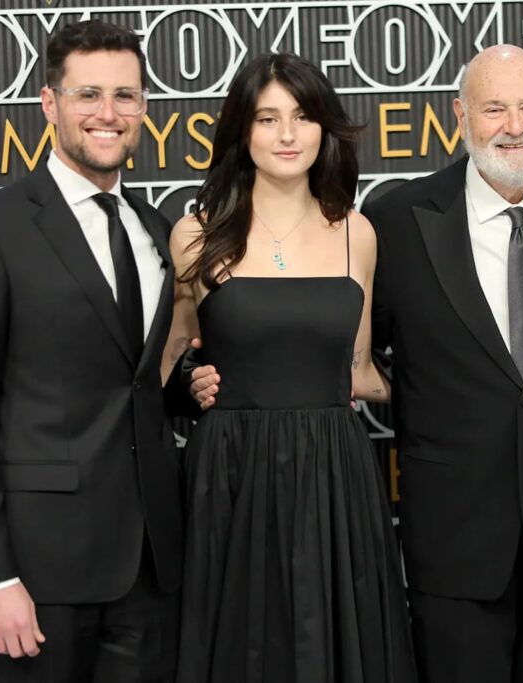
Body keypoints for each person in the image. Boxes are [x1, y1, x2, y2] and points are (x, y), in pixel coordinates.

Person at [188, 44, 523, 682]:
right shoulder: (395, 220)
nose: (515, 126)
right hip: (451, 541)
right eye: (495, 108)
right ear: (460, 117)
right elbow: (353, 353)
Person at [0, 20, 182, 681]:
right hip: (40, 571)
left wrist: (190, 385)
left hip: (152, 565)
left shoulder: (155, 227)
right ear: (50, 104)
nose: (108, 113)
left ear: (144, 108)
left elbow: (132, 381)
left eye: (125, 96)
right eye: (88, 94)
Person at [163, 53, 415, 682]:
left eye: (302, 117)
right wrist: (187, 387)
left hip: (335, 471)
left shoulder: (358, 233)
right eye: (267, 118)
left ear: (324, 128)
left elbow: (357, 370)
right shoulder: (195, 235)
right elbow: (171, 362)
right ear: (241, 132)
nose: (286, 135)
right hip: (230, 470)